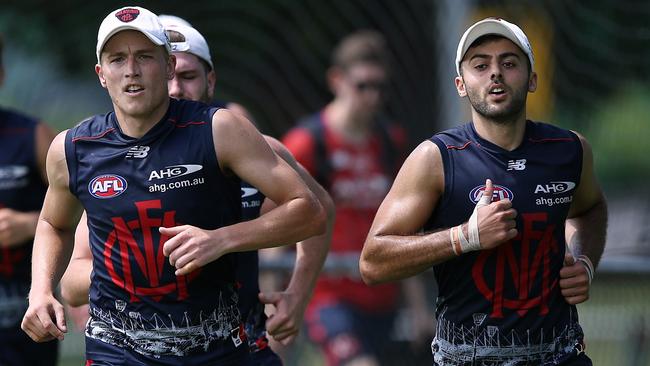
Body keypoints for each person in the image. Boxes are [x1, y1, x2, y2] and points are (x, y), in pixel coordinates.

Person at [21, 6, 325, 365]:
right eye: (118, 59)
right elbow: (54, 225)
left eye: (144, 57)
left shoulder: (221, 131)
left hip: (218, 346)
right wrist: (40, 291)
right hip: (118, 350)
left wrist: (222, 240)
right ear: (101, 75)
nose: (131, 70)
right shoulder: (72, 148)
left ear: (167, 67)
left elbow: (311, 212)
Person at [360, 17, 608, 365]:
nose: (496, 73)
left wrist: (585, 263)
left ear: (533, 79)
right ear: (461, 84)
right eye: (481, 65)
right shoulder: (435, 158)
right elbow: (372, 262)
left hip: (560, 355)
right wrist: (465, 236)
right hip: (468, 358)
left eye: (509, 62)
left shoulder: (569, 150)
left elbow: (591, 208)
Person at [282, 30, 433, 366]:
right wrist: (276, 301)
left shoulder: (390, 141)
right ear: (337, 80)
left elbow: (402, 228)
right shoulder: (308, 143)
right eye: (363, 85)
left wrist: (419, 308)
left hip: (384, 295)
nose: (373, 96)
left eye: (380, 87)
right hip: (329, 297)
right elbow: (275, 221)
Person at [0, 33, 58, 365]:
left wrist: (27, 224)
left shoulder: (33, 135)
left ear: (2, 73)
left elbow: (85, 214)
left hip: (25, 324)